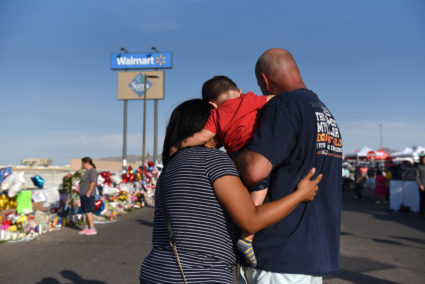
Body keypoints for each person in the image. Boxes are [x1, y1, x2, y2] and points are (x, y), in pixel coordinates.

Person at [139, 99, 322, 283]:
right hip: (199, 274)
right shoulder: (213, 160)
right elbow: (251, 220)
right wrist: (300, 195)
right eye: (217, 120)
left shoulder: (169, 168)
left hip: (156, 272)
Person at [235, 48, 342, 283]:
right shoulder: (324, 112)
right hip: (312, 256)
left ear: (265, 80)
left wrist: (231, 156)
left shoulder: (284, 104)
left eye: (261, 86)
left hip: (278, 256)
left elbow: (255, 170)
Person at [172, 75, 274, 266]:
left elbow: (202, 137)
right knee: (259, 192)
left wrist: (178, 146)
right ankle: (247, 236)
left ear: (212, 104)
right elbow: (276, 99)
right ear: (239, 91)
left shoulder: (216, 115)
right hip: (254, 155)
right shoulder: (250, 99)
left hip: (234, 159)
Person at [78, 157, 98, 236]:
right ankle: (87, 227)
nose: (82, 165)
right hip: (83, 194)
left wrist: (89, 192)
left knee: (88, 212)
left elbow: (93, 182)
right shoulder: (87, 172)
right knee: (85, 212)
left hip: (88, 194)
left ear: (86, 163)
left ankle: (92, 228)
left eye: (83, 163)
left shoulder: (92, 171)